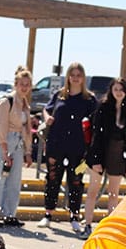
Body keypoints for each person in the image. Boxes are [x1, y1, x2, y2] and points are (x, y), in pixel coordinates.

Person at [36, 62, 98, 232]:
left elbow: (96, 123)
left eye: (79, 75)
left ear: (83, 77)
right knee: (52, 178)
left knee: (76, 181)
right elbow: (46, 109)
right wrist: (47, 117)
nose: (76, 78)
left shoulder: (90, 100)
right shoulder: (59, 95)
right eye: (73, 74)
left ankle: (74, 217)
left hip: (79, 149)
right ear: (68, 77)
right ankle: (48, 214)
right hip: (56, 144)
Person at [81, 77, 126, 239]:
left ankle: (109, 228)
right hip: (101, 152)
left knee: (114, 193)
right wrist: (96, 159)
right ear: (111, 91)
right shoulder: (103, 108)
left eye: (121, 89)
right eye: (116, 89)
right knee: (93, 190)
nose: (119, 92)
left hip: (118, 155)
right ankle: (87, 225)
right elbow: (97, 135)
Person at [0, 66, 32, 228]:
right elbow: (0, 126)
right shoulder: (6, 102)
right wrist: (4, 149)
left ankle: (10, 213)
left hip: (18, 143)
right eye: (21, 84)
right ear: (15, 84)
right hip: (4, 141)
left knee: (14, 181)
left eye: (27, 84)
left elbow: (26, 129)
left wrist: (28, 151)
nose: (24, 87)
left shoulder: (25, 105)